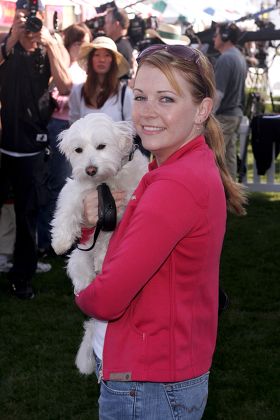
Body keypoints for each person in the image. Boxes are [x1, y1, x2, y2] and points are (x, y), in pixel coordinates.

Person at [74, 44, 247, 419]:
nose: (147, 112)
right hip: (163, 369)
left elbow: (107, 298)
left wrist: (84, 294)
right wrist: (92, 226)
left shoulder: (175, 185)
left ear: (202, 108)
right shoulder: (177, 168)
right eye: (140, 97)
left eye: (166, 99)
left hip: (148, 381)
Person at [0, 0, 72, 299]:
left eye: (33, 17)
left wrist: (51, 44)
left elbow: (66, 86)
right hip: (4, 145)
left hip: (32, 150)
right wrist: (11, 40)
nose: (29, 24)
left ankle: (22, 277)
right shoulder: (7, 45)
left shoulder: (48, 48)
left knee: (28, 216)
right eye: (24, 16)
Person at [37, 22, 93, 257]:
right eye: (77, 43)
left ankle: (62, 236)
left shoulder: (84, 70)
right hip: (56, 127)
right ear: (69, 44)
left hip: (75, 131)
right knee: (55, 184)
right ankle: (48, 239)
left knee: (67, 184)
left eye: (84, 43)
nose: (81, 48)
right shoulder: (62, 66)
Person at [69, 36, 133, 124]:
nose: (102, 60)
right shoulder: (78, 91)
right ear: (91, 59)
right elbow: (73, 124)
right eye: (97, 55)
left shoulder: (125, 94)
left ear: (113, 61)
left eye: (107, 55)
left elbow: (131, 128)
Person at [213, 22, 248, 180]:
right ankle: (232, 201)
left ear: (225, 37)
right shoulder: (238, 56)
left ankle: (217, 200)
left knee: (212, 159)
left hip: (224, 117)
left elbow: (218, 94)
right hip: (234, 115)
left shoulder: (226, 59)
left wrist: (206, 117)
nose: (214, 37)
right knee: (228, 160)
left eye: (217, 34)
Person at [103, 7, 133, 78]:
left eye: (107, 23)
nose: (104, 26)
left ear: (116, 24)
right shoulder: (125, 44)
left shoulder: (118, 48)